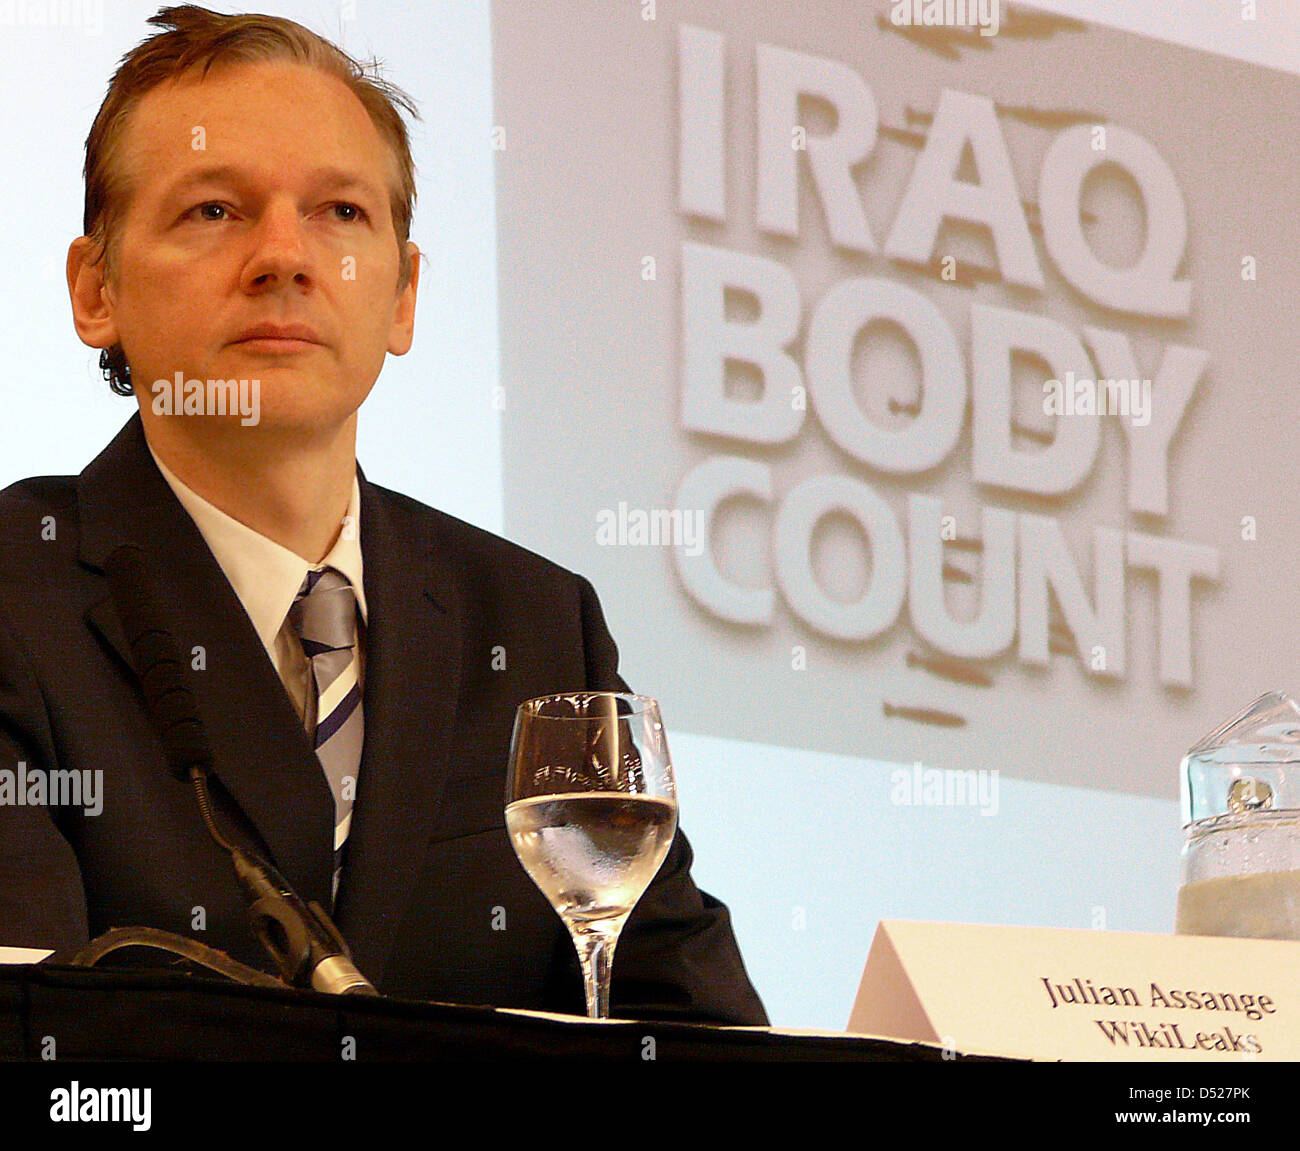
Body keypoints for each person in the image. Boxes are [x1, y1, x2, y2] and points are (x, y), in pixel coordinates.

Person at [0, 4, 767, 1025]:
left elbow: (694, 1024)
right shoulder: (19, 593)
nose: (284, 255)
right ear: (96, 290)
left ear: (403, 296)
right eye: (215, 211)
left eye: (341, 213)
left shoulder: (537, 625)